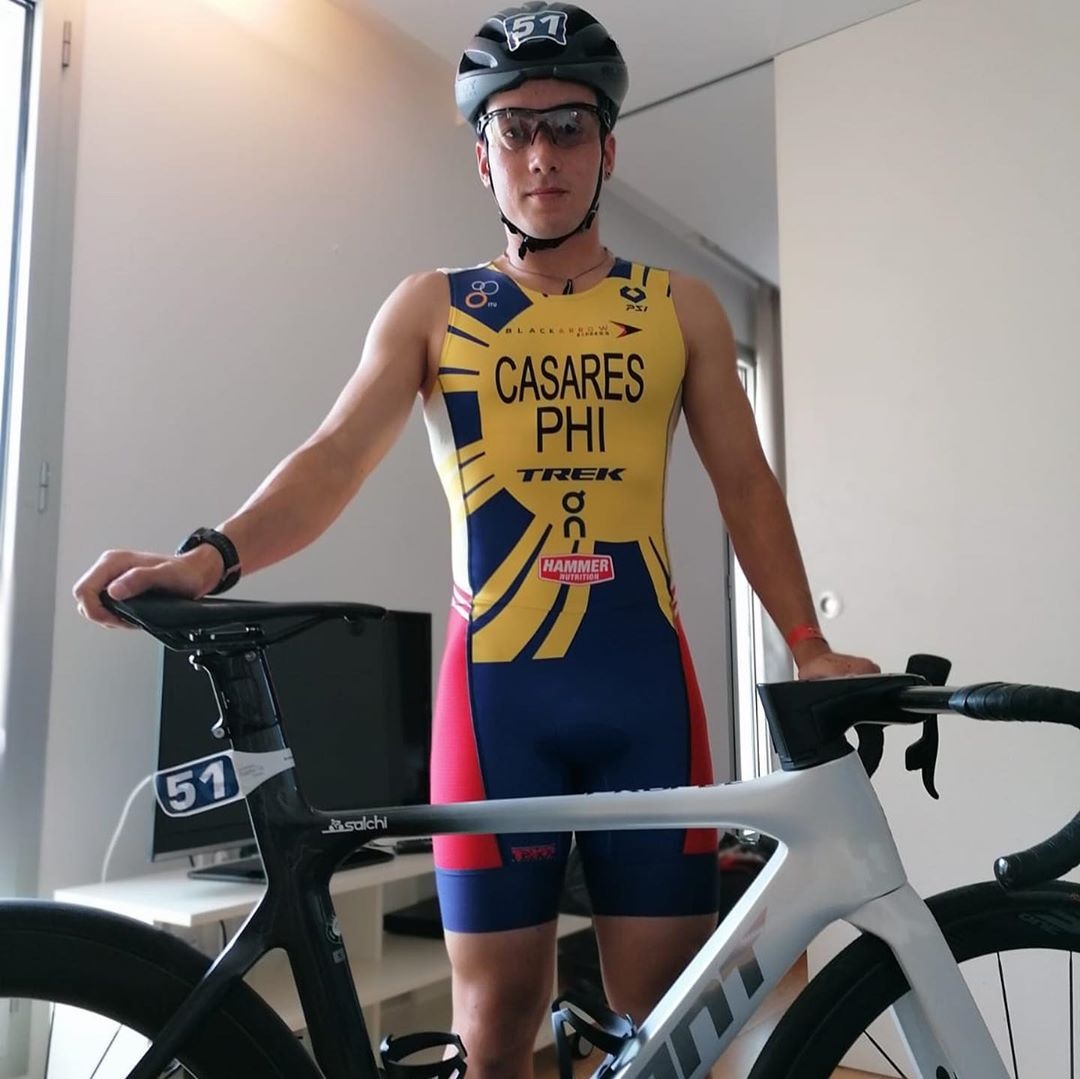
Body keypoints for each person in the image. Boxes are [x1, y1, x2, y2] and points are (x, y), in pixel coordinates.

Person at [74, 4, 878, 1075]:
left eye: (569, 127)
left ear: (607, 149)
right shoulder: (433, 307)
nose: (543, 154)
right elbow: (334, 457)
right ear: (483, 156)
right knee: (495, 1026)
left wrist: (805, 643)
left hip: (644, 693)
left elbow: (745, 482)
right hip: (500, 701)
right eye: (516, 129)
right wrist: (208, 556)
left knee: (667, 1021)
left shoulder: (678, 307)